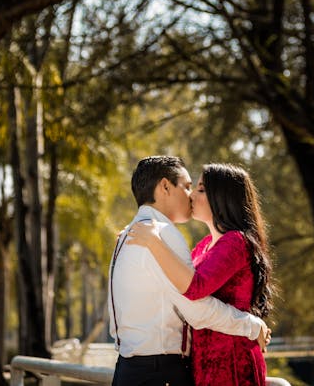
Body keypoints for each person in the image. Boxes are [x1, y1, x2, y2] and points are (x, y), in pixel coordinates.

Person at [109, 156, 271, 386]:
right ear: (165, 186)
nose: (191, 195)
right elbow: (195, 307)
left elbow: (192, 289)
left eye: (199, 189)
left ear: (220, 197)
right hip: (167, 369)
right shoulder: (163, 235)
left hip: (228, 362)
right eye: (188, 187)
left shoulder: (134, 234)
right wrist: (252, 325)